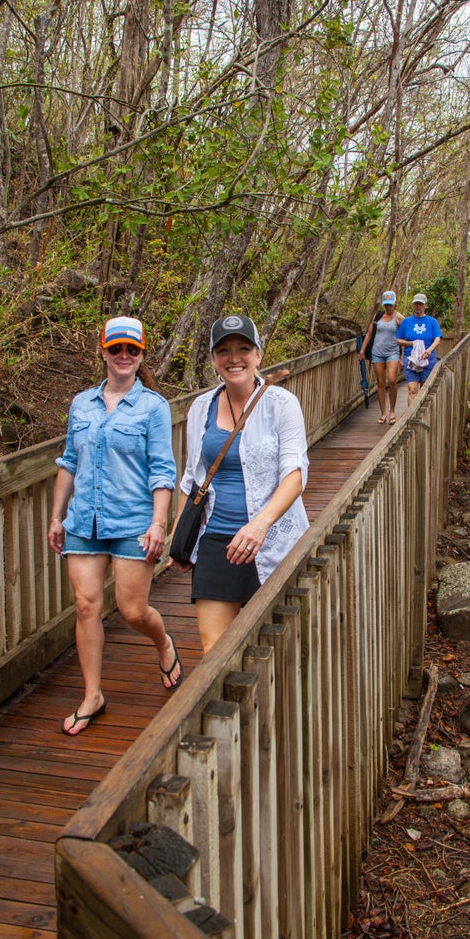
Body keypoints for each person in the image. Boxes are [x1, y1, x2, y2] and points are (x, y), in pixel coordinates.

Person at [48, 316, 181, 736]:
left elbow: (162, 470)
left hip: (133, 522)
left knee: (132, 610)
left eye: (132, 350)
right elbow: (70, 461)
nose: (124, 356)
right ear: (103, 351)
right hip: (84, 520)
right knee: (86, 606)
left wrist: (159, 523)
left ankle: (163, 643)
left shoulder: (153, 407)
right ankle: (93, 695)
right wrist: (57, 515)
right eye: (116, 348)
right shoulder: (81, 403)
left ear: (142, 355)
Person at [172, 314, 309, 654]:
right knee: (214, 652)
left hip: (273, 540)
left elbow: (295, 472)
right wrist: (180, 537)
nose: (234, 358)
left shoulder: (282, 404)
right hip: (217, 540)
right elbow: (192, 477)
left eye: (243, 348)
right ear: (214, 360)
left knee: (278, 648)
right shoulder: (200, 407)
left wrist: (260, 525)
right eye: (224, 351)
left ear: (258, 355)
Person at [358, 291, 405, 424]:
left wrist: (402, 357)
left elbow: (405, 338)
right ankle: (383, 413)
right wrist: (362, 351)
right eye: (386, 305)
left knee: (392, 380)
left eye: (390, 305)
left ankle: (392, 411)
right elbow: (368, 334)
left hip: (392, 352)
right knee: (380, 382)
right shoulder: (377, 316)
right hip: (377, 352)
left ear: (395, 303)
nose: (388, 307)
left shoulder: (400, 318)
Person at [396, 293, 443, 402]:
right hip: (411, 358)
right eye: (416, 304)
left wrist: (429, 350)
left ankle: (422, 418)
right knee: (412, 389)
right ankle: (410, 418)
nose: (418, 306)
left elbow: (438, 338)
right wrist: (412, 343)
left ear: (425, 306)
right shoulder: (406, 322)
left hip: (428, 358)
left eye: (421, 304)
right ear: (413, 305)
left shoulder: (432, 322)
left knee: (425, 390)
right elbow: (397, 340)